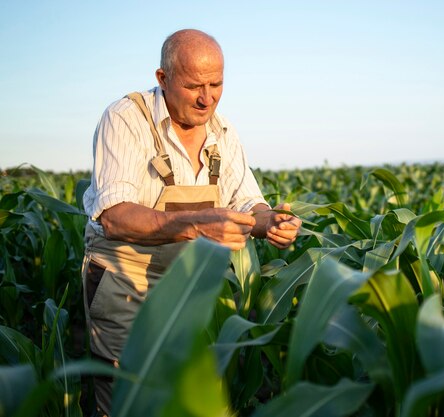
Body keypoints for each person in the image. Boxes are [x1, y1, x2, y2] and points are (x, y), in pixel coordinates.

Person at [81, 28, 301, 415]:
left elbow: (250, 202)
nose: (207, 98)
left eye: (216, 84)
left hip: (189, 286)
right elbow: (115, 217)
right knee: (128, 396)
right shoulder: (126, 119)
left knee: (186, 394)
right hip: (124, 281)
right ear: (162, 79)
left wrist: (271, 222)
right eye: (194, 85)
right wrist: (199, 224)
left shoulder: (223, 133)